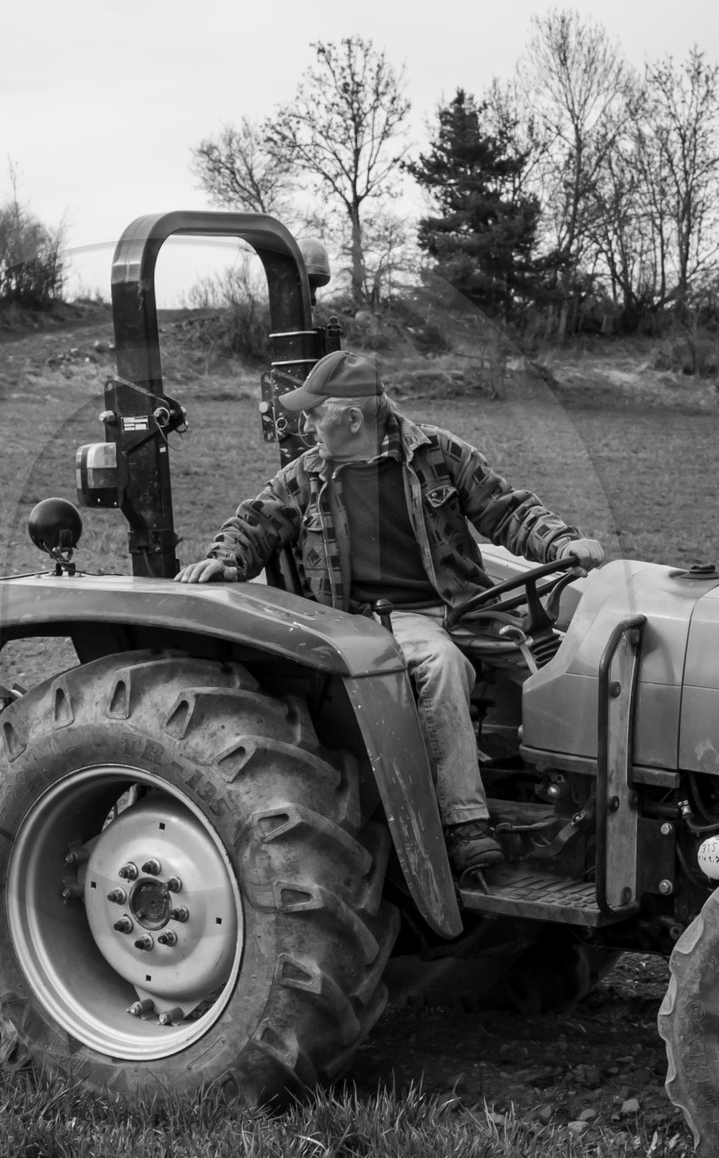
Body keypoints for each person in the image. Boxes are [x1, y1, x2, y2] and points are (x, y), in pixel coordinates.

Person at [177, 349, 606, 875]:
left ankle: (590, 816)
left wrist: (564, 543)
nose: (306, 424)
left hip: (464, 603)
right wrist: (223, 561)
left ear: (352, 418)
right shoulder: (306, 478)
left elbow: (507, 509)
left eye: (315, 413)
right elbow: (253, 524)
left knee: (562, 670)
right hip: (380, 620)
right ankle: (464, 825)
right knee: (444, 664)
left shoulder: (439, 455)